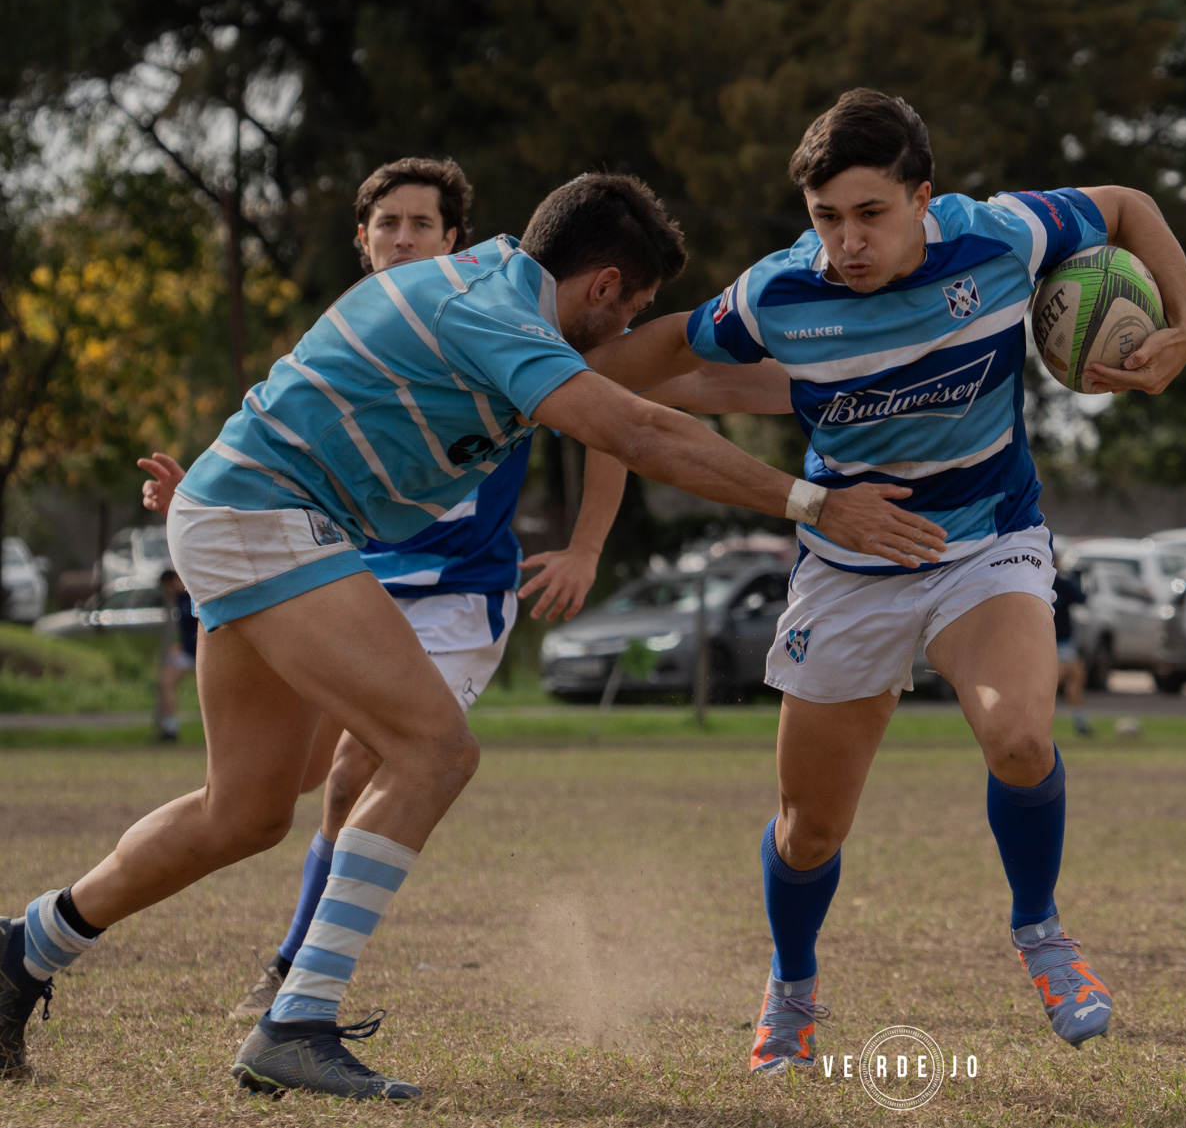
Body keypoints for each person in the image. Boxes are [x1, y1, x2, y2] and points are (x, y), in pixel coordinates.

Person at [0, 170, 942, 1098]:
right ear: (603, 286)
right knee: (433, 750)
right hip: (266, 519)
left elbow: (687, 390)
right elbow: (640, 433)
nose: (624, 332)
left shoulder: (494, 292)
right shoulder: (493, 312)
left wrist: (883, 372)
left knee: (243, 811)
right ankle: (297, 1019)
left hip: (242, 515)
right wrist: (815, 503)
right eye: (631, 309)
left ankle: (22, 949)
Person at [584, 89, 1186, 1068]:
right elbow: (637, 361)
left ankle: (1042, 932)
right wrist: (533, 377)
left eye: (871, 214)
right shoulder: (779, 295)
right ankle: (791, 985)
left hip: (987, 537)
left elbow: (1125, 204)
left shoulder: (1000, 237)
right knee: (809, 829)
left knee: (1019, 732)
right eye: (826, 217)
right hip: (848, 564)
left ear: (924, 198)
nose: (846, 242)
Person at [133, 157, 625, 1023]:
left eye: (422, 225)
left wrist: (584, 547)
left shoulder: (500, 321)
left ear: (454, 242)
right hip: (342, 576)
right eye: (387, 224)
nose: (404, 237)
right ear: (362, 242)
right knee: (271, 792)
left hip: (455, 592)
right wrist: (199, 500)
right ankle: (47, 938)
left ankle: (294, 982)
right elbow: (284, 437)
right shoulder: (360, 331)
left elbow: (615, 420)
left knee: (377, 755)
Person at [153, 569, 198, 743]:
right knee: (165, 681)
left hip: (202, 653)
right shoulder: (179, 600)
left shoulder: (193, 595)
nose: (166, 592)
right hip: (188, 653)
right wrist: (181, 646)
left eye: (167, 587)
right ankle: (170, 730)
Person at [1051, 561, 1087, 707]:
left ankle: (1079, 719)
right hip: (1056, 641)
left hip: (1061, 641)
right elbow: (1082, 598)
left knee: (1076, 676)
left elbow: (1081, 599)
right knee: (1058, 679)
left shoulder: (1060, 584)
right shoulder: (1059, 584)